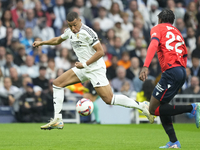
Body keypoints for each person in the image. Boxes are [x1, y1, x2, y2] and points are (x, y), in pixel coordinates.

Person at [33, 11, 154, 130]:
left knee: (109, 99)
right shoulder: (70, 31)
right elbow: (58, 40)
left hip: (95, 68)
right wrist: (42, 42)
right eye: (70, 25)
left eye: (75, 24)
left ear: (80, 21)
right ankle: (57, 120)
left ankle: (142, 106)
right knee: (57, 84)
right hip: (83, 67)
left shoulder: (88, 32)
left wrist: (84, 64)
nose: (73, 28)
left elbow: (100, 51)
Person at [139, 9, 200, 149]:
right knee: (162, 107)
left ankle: (192, 107)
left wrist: (145, 66)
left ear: (160, 19)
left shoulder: (158, 28)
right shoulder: (178, 33)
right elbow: (185, 54)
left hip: (171, 72)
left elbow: (153, 45)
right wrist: (180, 71)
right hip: (181, 71)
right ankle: (174, 142)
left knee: (153, 109)